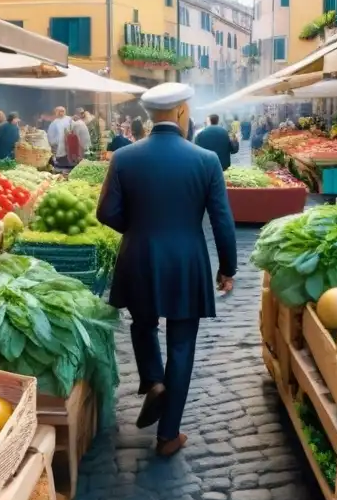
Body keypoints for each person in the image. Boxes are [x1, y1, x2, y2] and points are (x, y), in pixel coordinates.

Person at [96, 82, 237, 457]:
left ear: (148, 116)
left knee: (142, 324)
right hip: (186, 260)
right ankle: (168, 434)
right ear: (180, 112)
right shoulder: (205, 160)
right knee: (182, 344)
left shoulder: (124, 157)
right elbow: (222, 221)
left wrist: (140, 229)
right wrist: (227, 268)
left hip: (139, 256)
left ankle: (152, 379)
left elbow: (106, 212)